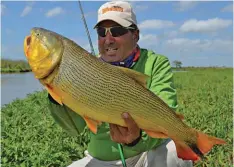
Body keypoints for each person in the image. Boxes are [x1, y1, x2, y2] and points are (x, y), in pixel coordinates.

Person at [47, 1, 193, 167]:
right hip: (100, 160)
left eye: (117, 31)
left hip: (146, 154)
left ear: (135, 35)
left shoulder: (155, 63)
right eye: (102, 32)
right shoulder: (85, 69)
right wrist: (56, 90)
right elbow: (74, 128)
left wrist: (136, 140)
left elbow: (166, 116)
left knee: (175, 153)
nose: (108, 40)